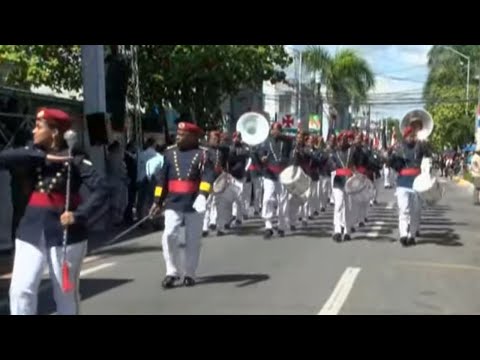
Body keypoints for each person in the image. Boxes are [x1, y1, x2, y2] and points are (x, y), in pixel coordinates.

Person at [0, 108, 108, 315]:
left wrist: (79, 215)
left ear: (55, 132)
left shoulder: (75, 158)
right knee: (20, 290)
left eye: (39, 126)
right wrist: (42, 155)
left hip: (63, 232)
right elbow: (5, 157)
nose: (33, 131)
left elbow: (102, 189)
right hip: (30, 229)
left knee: (65, 294)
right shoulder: (31, 153)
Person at [150, 122, 215, 289]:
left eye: (182, 134)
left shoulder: (203, 155)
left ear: (193, 137)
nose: (177, 136)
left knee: (192, 240)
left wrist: (203, 195)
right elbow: (161, 180)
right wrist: (157, 201)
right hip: (173, 202)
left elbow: (208, 176)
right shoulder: (169, 153)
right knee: (169, 235)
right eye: (177, 133)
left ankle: (190, 273)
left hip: (195, 202)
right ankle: (171, 272)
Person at [388, 126, 429, 246]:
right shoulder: (400, 148)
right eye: (410, 136)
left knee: (415, 211)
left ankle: (412, 235)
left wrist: (425, 144)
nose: (413, 138)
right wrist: (391, 152)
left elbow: (429, 154)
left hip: (417, 183)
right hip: (403, 183)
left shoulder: (420, 147)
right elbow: (390, 162)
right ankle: (403, 234)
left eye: (414, 136)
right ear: (405, 137)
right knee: (404, 209)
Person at [258, 123, 293, 239]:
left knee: (283, 200)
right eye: (274, 130)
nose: (276, 132)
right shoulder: (266, 142)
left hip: (283, 173)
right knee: (267, 198)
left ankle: (281, 225)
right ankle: (268, 226)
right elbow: (260, 153)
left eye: (278, 129)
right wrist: (262, 157)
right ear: (271, 131)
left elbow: (291, 155)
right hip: (269, 173)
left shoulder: (287, 142)